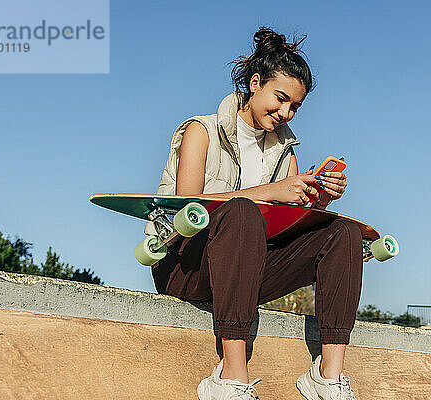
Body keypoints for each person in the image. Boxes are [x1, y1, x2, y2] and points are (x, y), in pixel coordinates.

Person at [149, 27, 362, 400]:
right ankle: (231, 376)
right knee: (243, 213)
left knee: (342, 233)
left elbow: (287, 229)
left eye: (295, 106)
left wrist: (318, 202)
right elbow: (185, 208)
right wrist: (271, 192)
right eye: (280, 99)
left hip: (245, 273)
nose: (286, 113)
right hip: (185, 266)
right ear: (254, 83)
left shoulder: (285, 153)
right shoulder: (203, 131)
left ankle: (328, 376)